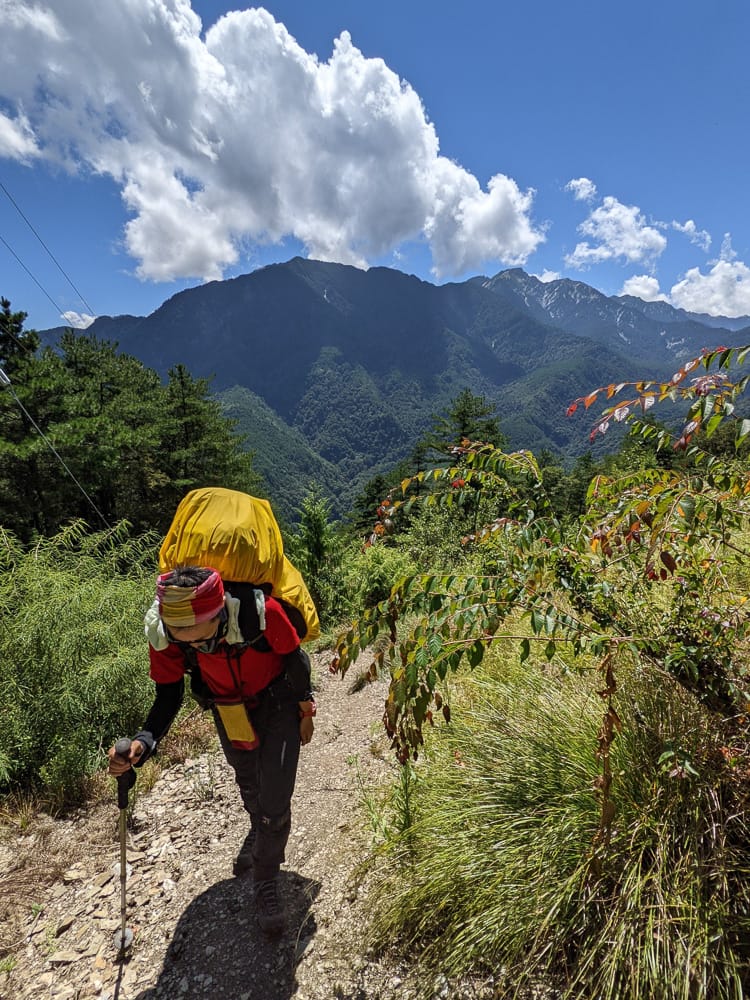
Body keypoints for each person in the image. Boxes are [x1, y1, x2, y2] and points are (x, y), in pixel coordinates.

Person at [108, 565, 316, 935]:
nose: (189, 644)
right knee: (248, 780)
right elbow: (168, 695)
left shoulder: (259, 612)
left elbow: (296, 661)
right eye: (181, 636)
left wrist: (305, 711)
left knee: (275, 798)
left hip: (279, 703)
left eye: (197, 636)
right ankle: (257, 826)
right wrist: (144, 741)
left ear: (220, 612)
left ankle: (266, 877)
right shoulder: (166, 634)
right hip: (228, 708)